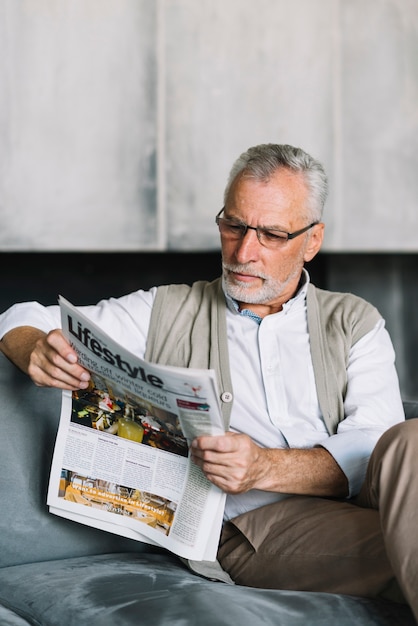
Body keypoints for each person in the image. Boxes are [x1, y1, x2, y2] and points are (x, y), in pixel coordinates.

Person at [0, 144, 417, 618]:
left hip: (375, 501)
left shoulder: (354, 320)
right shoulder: (166, 310)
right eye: (233, 226)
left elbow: (374, 443)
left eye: (273, 234)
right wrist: (32, 345)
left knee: (412, 438)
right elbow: (24, 314)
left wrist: (266, 466)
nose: (244, 251)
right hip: (256, 529)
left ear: (312, 241)